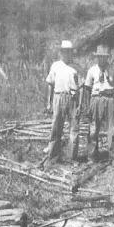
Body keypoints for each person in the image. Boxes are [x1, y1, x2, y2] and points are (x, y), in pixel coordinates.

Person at [41, 40, 81, 171]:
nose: (66, 54)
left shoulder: (76, 67)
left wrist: (80, 104)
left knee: (74, 128)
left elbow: (81, 87)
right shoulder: (55, 66)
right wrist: (49, 101)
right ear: (61, 52)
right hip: (58, 97)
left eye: (69, 51)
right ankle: (53, 156)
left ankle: (72, 158)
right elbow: (50, 85)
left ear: (71, 52)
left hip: (72, 98)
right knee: (56, 127)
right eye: (64, 51)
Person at [80, 44, 114, 167]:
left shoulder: (113, 70)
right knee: (93, 129)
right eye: (100, 57)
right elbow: (87, 88)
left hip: (109, 99)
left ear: (107, 58)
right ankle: (92, 156)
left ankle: (113, 156)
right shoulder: (92, 70)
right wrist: (88, 105)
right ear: (96, 58)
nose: (102, 60)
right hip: (96, 99)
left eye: (104, 57)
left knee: (112, 129)